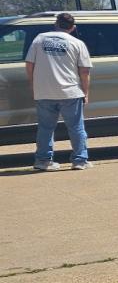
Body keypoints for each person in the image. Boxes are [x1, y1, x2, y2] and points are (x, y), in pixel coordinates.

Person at [26, 12, 94, 171]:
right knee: (76, 127)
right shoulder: (77, 43)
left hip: (44, 92)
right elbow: (84, 71)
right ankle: (79, 160)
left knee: (45, 127)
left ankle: (43, 160)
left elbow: (29, 65)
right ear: (73, 28)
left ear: (55, 24)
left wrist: (33, 85)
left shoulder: (39, 39)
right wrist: (86, 93)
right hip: (70, 92)